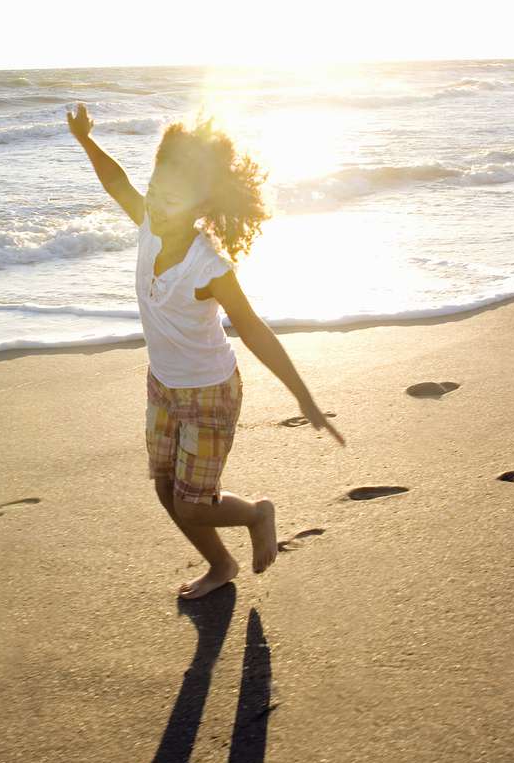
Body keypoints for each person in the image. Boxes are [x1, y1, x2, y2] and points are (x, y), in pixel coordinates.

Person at [67, 102, 343, 600]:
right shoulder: (150, 226)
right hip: (163, 385)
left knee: (194, 504)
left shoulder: (207, 266)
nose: (154, 203)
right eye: (155, 190)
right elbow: (116, 182)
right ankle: (222, 565)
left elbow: (254, 330)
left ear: (200, 206)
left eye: (171, 199)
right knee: (163, 488)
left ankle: (258, 513)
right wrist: (87, 140)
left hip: (210, 393)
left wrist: (302, 396)